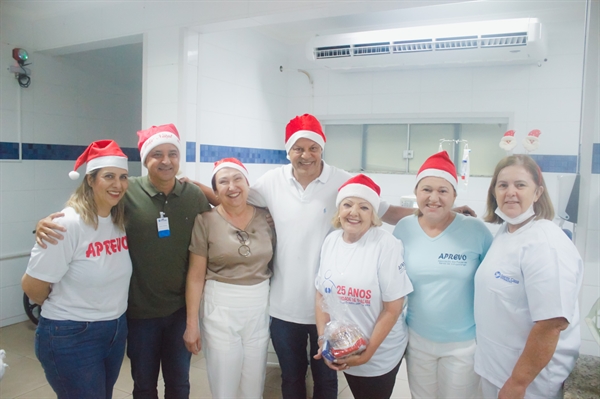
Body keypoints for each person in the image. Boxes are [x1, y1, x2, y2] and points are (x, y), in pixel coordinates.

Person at [186, 113, 474, 398]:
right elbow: (232, 195)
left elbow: (386, 212)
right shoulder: (272, 182)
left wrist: (438, 211)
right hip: (283, 306)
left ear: (322, 148)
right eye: (298, 148)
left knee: (327, 381)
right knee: (292, 377)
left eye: (313, 147)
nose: (306, 155)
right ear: (289, 152)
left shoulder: (342, 181)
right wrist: (186, 185)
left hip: (329, 309)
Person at [35, 124, 212, 399]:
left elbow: (221, 217)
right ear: (145, 160)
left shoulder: (193, 196)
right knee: (143, 386)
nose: (166, 161)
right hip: (138, 313)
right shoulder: (126, 193)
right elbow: (86, 210)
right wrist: (45, 223)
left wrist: (260, 213)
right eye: (157, 154)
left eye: (172, 153)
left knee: (179, 384)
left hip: (179, 310)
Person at [22, 140, 132, 399]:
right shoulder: (67, 224)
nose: (117, 184)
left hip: (114, 329)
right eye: (108, 177)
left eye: (123, 177)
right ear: (91, 180)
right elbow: (32, 287)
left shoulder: (117, 219)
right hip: (71, 335)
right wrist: (70, 303)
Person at [474, 154, 583, 399]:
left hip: (528, 383)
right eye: (502, 185)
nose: (510, 192)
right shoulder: (507, 230)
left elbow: (552, 323)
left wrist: (518, 383)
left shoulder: (546, 243)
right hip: (497, 369)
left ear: (537, 193)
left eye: (520, 185)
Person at [392, 151, 493, 399]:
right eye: (426, 189)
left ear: (455, 195)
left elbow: (493, 282)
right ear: (416, 193)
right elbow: (392, 281)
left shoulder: (476, 231)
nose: (433, 197)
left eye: (443, 191)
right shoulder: (404, 229)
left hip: (464, 345)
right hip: (417, 339)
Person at [314, 174, 413, 399]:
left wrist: (367, 354)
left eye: (364, 207)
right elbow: (321, 293)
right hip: (344, 347)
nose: (354, 212)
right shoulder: (331, 241)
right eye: (347, 205)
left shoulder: (385, 244)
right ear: (339, 210)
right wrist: (324, 340)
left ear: (374, 214)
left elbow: (393, 308)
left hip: (379, 353)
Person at [183, 158, 274, 398]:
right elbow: (195, 275)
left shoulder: (266, 218)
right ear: (215, 191)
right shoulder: (205, 221)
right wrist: (192, 324)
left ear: (247, 184)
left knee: (254, 384)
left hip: (258, 306)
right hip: (220, 308)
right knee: (225, 383)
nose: (232, 187)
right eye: (223, 182)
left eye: (237, 179)